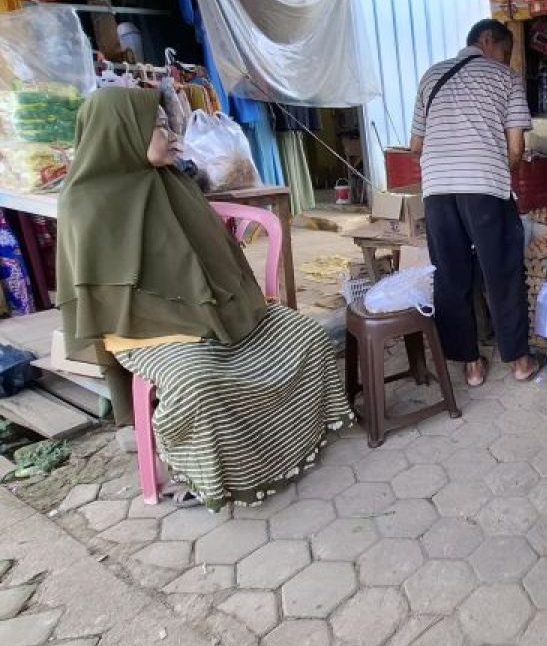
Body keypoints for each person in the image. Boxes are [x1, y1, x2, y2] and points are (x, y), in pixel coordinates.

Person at [56, 88, 353, 509]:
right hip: (147, 331)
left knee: (304, 334)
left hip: (214, 310)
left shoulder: (173, 180)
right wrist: (181, 318)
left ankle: (286, 441)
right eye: (157, 126)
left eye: (167, 123)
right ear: (121, 132)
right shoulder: (85, 203)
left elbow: (217, 257)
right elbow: (99, 299)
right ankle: (207, 475)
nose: (172, 134)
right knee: (199, 383)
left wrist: (217, 305)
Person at [410, 19, 541, 388]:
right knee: (502, 271)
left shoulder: (431, 75)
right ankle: (518, 361)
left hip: (436, 189)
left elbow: (415, 146)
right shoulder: (506, 79)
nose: (506, 60)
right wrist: (497, 169)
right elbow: (516, 149)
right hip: (484, 185)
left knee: (450, 276)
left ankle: (470, 366)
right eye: (505, 52)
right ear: (487, 40)